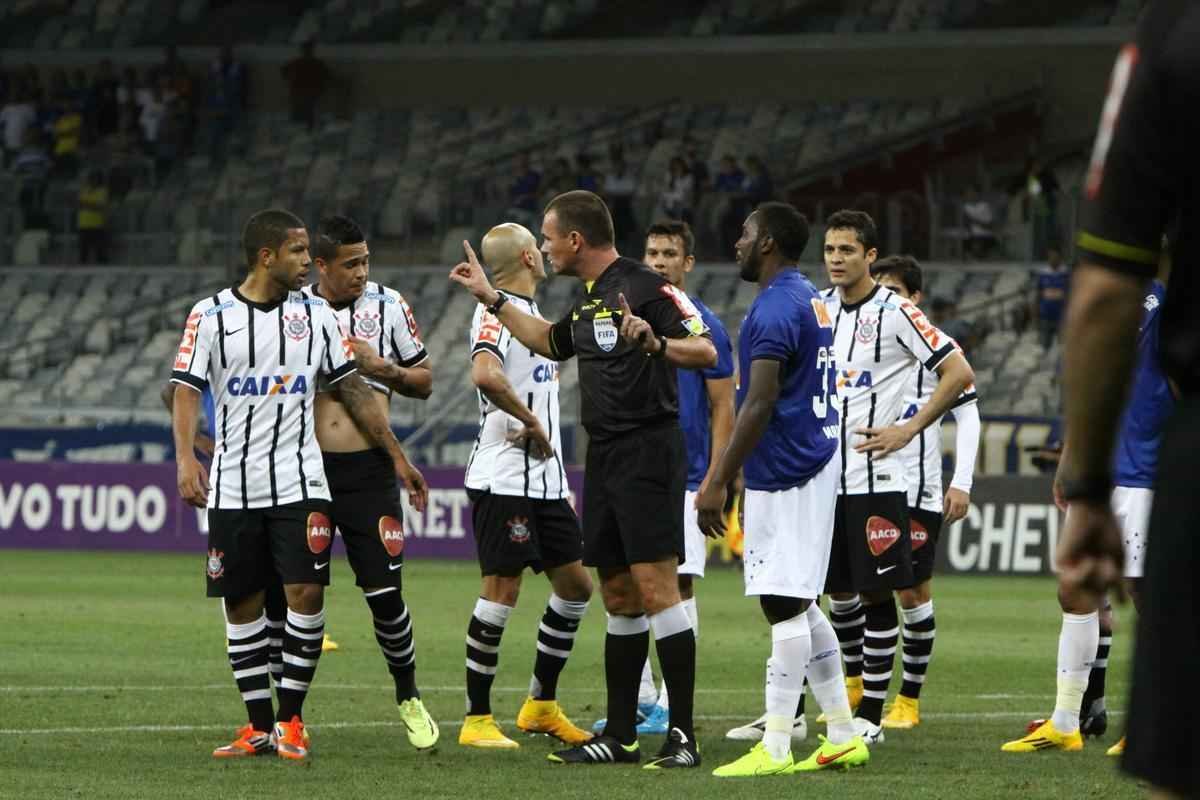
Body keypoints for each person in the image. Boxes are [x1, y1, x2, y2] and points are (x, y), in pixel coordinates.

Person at [449, 190, 717, 768]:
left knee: (657, 589)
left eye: (549, 238)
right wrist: (492, 298)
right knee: (617, 593)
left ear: (575, 240)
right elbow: (550, 341)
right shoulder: (592, 299)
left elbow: (706, 349)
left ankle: (682, 737)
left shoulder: (647, 287)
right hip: (606, 456)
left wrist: (657, 343)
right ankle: (620, 736)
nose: (544, 248)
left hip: (648, 451)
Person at [170, 208, 428, 761]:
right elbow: (185, 389)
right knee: (241, 602)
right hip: (234, 483)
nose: (308, 261)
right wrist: (186, 459)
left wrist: (397, 456)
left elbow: (353, 389)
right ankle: (258, 725)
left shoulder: (315, 315)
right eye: (298, 251)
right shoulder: (210, 315)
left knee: (305, 594)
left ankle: (291, 718)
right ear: (267, 257)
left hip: (300, 479)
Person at [697, 202, 869, 776]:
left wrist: (718, 480)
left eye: (746, 233)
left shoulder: (773, 308)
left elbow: (760, 401)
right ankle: (841, 732)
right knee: (798, 601)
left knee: (781, 602)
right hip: (809, 459)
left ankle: (774, 746)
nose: (738, 242)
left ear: (768, 241)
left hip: (790, 467)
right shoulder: (807, 297)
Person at [1006, 245, 1174, 756]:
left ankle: (1161, 724)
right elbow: (1092, 385)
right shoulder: (1111, 304)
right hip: (1102, 472)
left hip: (1146, 472)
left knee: (1148, 597)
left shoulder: (1167, 306)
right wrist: (1071, 460)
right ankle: (1065, 721)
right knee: (1075, 589)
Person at [818, 209, 974, 743]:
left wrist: (908, 430)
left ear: (869, 255)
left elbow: (958, 372)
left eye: (847, 250)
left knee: (878, 596)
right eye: (830, 249)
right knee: (832, 594)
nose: (837, 259)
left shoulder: (896, 311)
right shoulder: (818, 309)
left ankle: (871, 716)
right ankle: (834, 703)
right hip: (824, 481)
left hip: (877, 481)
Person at [297, 215, 439, 749]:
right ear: (321, 265)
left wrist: (383, 369)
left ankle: (409, 695)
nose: (361, 272)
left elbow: (424, 381)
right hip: (306, 472)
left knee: (384, 594)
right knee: (301, 593)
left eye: (366, 262)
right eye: (350, 264)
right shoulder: (293, 310)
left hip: (369, 471)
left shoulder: (389, 305)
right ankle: (291, 715)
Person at [457, 222, 595, 751]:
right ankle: (476, 718)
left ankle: (540, 705)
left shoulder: (529, 317)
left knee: (576, 587)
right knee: (503, 588)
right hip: (504, 476)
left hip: (545, 480)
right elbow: (485, 374)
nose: (543, 250)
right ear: (527, 258)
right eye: (537, 246)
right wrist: (530, 420)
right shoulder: (492, 314)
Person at [594, 220, 735, 736]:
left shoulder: (704, 326)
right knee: (630, 585)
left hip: (687, 474)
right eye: (651, 252)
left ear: (688, 263)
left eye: (669, 253)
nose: (658, 262)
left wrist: (717, 476)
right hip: (638, 469)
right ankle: (644, 697)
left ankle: (674, 707)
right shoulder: (629, 317)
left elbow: (724, 407)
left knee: (677, 585)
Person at [869, 255, 981, 730]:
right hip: (868, 486)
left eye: (895, 291)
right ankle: (857, 691)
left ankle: (908, 701)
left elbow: (969, 415)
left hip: (918, 490)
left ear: (915, 297)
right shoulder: (864, 341)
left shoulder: (940, 349)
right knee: (860, 589)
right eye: (880, 290)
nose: (885, 299)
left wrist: (962, 481)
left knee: (912, 593)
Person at [281, 40, 329, 130]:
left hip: (302, 92)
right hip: (308, 92)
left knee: (303, 112)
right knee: (307, 112)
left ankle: (303, 129)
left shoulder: (298, 63)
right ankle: (306, 129)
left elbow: (284, 71)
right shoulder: (315, 63)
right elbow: (327, 76)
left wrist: (289, 81)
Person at [1034, 246, 1069, 350]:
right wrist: (1035, 314)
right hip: (1046, 315)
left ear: (1060, 258)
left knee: (1063, 347)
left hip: (1062, 316)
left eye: (1055, 257)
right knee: (1045, 346)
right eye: (1051, 257)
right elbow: (1038, 295)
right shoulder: (1043, 274)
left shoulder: (1066, 274)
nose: (1053, 259)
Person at [78, 169, 109, 265]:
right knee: (83, 251)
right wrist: (89, 204)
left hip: (97, 224)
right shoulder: (84, 190)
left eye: (95, 179)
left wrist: (86, 204)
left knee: (100, 251)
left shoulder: (102, 191)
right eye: (91, 179)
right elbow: (79, 204)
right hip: (83, 224)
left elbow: (100, 206)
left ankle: (102, 267)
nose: (92, 181)